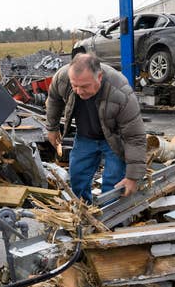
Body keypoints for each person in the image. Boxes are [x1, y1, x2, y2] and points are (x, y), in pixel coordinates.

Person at [46, 53, 146, 202]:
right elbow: (54, 100)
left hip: (114, 138)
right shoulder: (62, 78)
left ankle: (108, 217)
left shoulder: (120, 92)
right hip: (85, 136)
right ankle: (83, 210)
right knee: (77, 176)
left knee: (113, 183)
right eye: (75, 86)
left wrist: (132, 177)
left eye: (84, 86)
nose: (79, 91)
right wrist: (52, 128)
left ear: (99, 77)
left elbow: (135, 137)